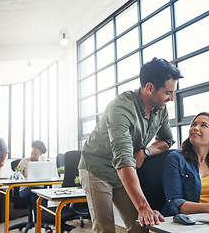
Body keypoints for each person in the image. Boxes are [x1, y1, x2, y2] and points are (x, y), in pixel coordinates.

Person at [78, 57, 183, 232]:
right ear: (149, 87)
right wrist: (143, 207)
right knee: (105, 228)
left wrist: (145, 152)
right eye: (168, 92)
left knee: (141, 227)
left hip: (126, 170)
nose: (171, 98)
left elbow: (166, 141)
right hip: (97, 168)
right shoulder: (121, 108)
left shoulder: (160, 109)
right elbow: (124, 160)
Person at [161, 112, 209, 216]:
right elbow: (174, 203)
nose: (195, 128)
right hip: (183, 222)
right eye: (193, 124)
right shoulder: (175, 158)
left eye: (204, 125)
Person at [17, 140, 48, 224]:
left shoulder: (43, 163)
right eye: (32, 153)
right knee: (39, 193)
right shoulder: (24, 161)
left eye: (36, 155)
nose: (33, 156)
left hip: (38, 190)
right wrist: (22, 176)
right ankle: (45, 220)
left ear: (40, 154)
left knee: (36, 196)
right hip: (24, 190)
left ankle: (37, 223)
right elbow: (15, 176)